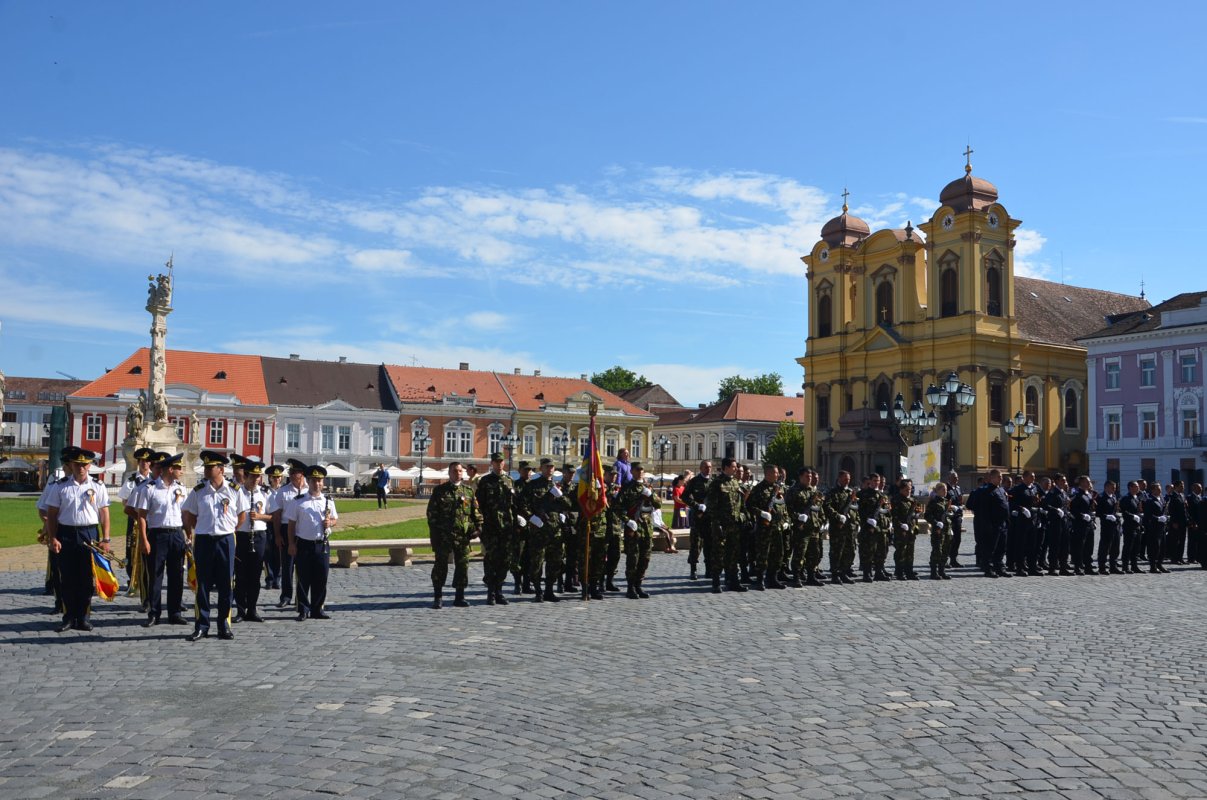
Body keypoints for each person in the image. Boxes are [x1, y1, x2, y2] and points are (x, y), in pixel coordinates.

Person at [181, 450, 247, 641]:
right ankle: (202, 625)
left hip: (226, 540)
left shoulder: (234, 490)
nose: (207, 470)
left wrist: (229, 528)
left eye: (211, 467)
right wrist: (198, 528)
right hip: (204, 540)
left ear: (221, 469)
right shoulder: (199, 491)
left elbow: (241, 515)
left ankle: (223, 625)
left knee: (226, 584)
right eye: (207, 467)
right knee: (202, 585)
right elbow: (188, 513)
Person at [44, 447, 110, 632]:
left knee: (87, 578)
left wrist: (106, 538)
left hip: (89, 533)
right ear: (71, 465)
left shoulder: (98, 486)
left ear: (89, 465)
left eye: (84, 464)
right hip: (66, 533)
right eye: (77, 464)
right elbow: (52, 513)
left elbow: (104, 513)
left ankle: (83, 617)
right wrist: (53, 538)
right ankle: (68, 617)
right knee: (67, 577)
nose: (81, 468)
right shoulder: (60, 486)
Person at [132, 452, 188, 627]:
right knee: (155, 576)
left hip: (177, 534)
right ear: (170, 469)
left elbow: (185, 514)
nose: (181, 471)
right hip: (157, 535)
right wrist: (144, 540)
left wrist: (188, 535)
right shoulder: (150, 489)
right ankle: (154, 612)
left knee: (176, 576)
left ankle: (175, 612)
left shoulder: (181, 488)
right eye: (178, 468)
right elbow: (141, 516)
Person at [286, 464, 338, 619]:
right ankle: (303, 609)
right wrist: (291, 543)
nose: (317, 484)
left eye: (320, 480)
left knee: (321, 578)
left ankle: (317, 608)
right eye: (314, 480)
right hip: (304, 544)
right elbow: (291, 525)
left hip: (321, 544)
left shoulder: (328, 500)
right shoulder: (298, 501)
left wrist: (330, 523)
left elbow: (335, 519)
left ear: (323, 482)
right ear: (308, 481)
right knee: (303, 579)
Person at [427, 462, 481, 608]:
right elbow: (432, 514)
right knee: (440, 565)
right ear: (449, 473)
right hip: (444, 536)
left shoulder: (468, 491)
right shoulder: (440, 491)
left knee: (463, 565)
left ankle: (459, 596)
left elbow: (474, 513)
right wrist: (436, 533)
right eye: (455, 471)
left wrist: (478, 528)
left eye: (460, 471)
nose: (458, 473)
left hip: (462, 537)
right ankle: (438, 596)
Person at [474, 452, 516, 606]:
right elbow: (478, 506)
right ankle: (491, 592)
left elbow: (513, 504)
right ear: (492, 463)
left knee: (505, 560)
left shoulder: (509, 481)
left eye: (501, 462)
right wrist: (480, 525)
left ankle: (499, 590)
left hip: (506, 528)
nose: (499, 464)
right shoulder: (485, 481)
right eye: (496, 462)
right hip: (491, 528)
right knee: (491, 560)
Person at [234, 459, 272, 623]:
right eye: (253, 476)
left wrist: (260, 516)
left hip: (258, 536)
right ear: (246, 475)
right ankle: (240, 610)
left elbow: (273, 516)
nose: (256, 480)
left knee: (255, 575)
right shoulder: (237, 492)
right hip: (242, 536)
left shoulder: (265, 493)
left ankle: (253, 609)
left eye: (258, 476)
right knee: (240, 575)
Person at [617, 462, 660, 598]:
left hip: (646, 528)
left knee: (645, 559)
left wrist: (651, 495)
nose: (641, 472)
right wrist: (627, 521)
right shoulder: (627, 488)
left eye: (642, 470)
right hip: (633, 529)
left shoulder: (648, 487)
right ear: (632, 471)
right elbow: (617, 507)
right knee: (633, 559)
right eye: (638, 470)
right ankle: (630, 587)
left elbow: (658, 504)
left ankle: (638, 585)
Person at [268, 459, 307, 609]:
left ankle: (301, 598)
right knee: (287, 566)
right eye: (290, 473)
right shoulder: (283, 491)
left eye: (293, 472)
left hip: (303, 530)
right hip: (286, 529)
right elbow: (277, 515)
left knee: (303, 567)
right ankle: (286, 595)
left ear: (301, 474)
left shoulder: (308, 489)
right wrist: (278, 535)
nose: (290, 475)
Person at [119, 446, 155, 607]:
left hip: (150, 522)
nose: (145, 464)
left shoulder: (155, 480)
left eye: (147, 461)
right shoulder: (132, 480)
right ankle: (132, 579)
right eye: (142, 461)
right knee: (131, 550)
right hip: (134, 520)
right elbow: (125, 501)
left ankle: (147, 585)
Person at [706, 457, 747, 593]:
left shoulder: (735, 483)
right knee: (719, 554)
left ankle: (733, 581)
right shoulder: (717, 483)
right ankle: (716, 582)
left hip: (734, 525)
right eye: (734, 467)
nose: (736, 469)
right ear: (726, 467)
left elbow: (740, 504)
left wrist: (742, 515)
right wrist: (717, 524)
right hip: (722, 525)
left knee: (733, 553)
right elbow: (711, 506)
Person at [824, 470, 857, 585]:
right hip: (837, 527)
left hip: (849, 527)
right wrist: (838, 516)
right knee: (836, 551)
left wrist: (854, 521)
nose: (847, 481)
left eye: (848, 479)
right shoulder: (832, 492)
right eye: (844, 479)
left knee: (847, 551)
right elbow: (827, 506)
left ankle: (843, 573)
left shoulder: (850, 493)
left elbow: (854, 509)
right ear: (839, 478)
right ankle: (835, 574)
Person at [682, 460, 712, 580]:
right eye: (705, 467)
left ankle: (709, 569)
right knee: (695, 545)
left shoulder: (713, 482)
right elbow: (684, 496)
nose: (708, 469)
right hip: (697, 518)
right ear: (700, 468)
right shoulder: (694, 481)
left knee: (709, 545)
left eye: (710, 467)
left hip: (709, 518)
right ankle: (693, 570)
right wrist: (696, 505)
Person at [262, 464, 286, 590]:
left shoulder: (284, 491)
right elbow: (264, 510)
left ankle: (278, 578)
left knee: (280, 553)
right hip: (269, 525)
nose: (277, 479)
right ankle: (269, 578)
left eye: (278, 477)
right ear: (270, 478)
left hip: (283, 525)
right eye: (274, 477)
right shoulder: (265, 492)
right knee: (268, 553)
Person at [890, 478, 920, 580]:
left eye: (910, 489)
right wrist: (900, 524)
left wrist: (916, 517)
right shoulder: (896, 500)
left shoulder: (912, 500)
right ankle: (899, 571)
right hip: (901, 530)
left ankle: (909, 571)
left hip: (911, 530)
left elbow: (915, 514)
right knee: (901, 551)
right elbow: (894, 516)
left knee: (910, 551)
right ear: (901, 489)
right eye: (907, 489)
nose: (909, 491)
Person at [925, 482, 952, 580]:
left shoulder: (946, 501)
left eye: (946, 490)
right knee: (937, 551)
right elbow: (927, 515)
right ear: (937, 491)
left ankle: (942, 571)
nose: (945, 491)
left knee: (945, 551)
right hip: (938, 531)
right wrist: (936, 522)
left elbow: (948, 515)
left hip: (947, 530)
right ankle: (933, 572)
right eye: (943, 490)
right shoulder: (934, 502)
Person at [1142, 480, 1169, 574]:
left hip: (1162, 527)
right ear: (1153, 490)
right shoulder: (1149, 500)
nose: (1160, 490)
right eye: (1158, 489)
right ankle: (1153, 566)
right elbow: (1148, 516)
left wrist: (1166, 517)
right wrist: (1158, 518)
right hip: (1153, 527)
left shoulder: (1161, 498)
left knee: (1162, 547)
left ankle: (1159, 564)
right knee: (1154, 548)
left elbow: (1164, 510)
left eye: (1160, 488)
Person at [1096, 479, 1122, 574]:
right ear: (1106, 487)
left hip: (1115, 525)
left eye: (1115, 488)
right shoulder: (1101, 497)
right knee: (1105, 547)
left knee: (1115, 547)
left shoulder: (1114, 497)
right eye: (1112, 488)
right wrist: (1107, 516)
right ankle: (1102, 567)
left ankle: (1113, 566)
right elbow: (1098, 513)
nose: (1114, 489)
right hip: (1106, 526)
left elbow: (1115, 510)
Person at [1119, 481, 1145, 574]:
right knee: (1128, 547)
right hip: (1129, 526)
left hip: (1137, 526)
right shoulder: (1126, 498)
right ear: (1130, 488)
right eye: (1136, 486)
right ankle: (1125, 566)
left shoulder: (1137, 498)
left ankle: (1134, 566)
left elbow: (1138, 510)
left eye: (1138, 487)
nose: (1138, 488)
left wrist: (1139, 515)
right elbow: (1124, 512)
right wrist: (1133, 516)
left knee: (1136, 548)